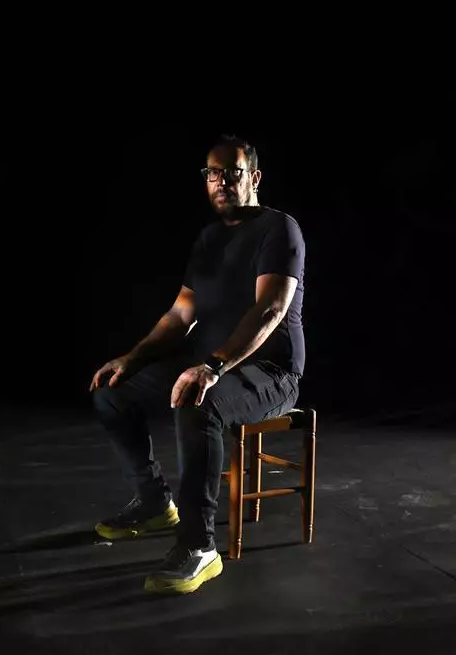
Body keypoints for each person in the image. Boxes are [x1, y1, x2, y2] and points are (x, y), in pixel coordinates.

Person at [89, 134, 306, 595]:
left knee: (198, 404)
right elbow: (180, 315)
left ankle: (198, 546)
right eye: (212, 173)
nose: (221, 181)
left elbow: (270, 309)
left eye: (232, 173)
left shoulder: (279, 228)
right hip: (213, 366)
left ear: (254, 177)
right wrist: (132, 358)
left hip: (271, 373)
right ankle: (154, 503)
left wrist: (214, 366)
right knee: (112, 392)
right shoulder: (209, 239)